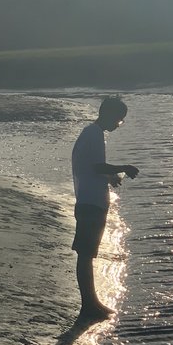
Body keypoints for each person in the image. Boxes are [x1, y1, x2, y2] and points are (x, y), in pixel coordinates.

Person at [71, 96, 138, 321]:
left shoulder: (93, 133)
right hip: (90, 202)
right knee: (86, 254)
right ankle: (88, 305)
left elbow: (90, 167)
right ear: (108, 114)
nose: (119, 124)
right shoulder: (93, 134)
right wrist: (124, 167)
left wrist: (110, 176)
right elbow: (96, 166)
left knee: (88, 254)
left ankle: (92, 302)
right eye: (119, 119)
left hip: (91, 200)